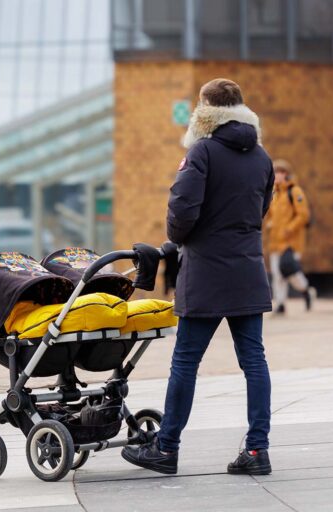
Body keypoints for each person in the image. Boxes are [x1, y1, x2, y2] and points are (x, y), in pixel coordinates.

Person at [121, 79, 274, 475]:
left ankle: (166, 448)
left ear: (206, 110)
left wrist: (179, 239)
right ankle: (258, 451)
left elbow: (181, 217)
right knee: (254, 361)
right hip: (246, 269)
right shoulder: (261, 156)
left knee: (186, 362)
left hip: (205, 272)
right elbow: (259, 211)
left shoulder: (202, 152)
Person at [265, 159, 316, 314]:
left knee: (291, 272)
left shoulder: (294, 191)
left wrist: (289, 228)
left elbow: (303, 215)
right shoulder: (274, 193)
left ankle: (306, 289)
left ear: (284, 174)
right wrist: (270, 223)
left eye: (278, 173)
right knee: (277, 274)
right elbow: (271, 214)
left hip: (290, 241)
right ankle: (280, 304)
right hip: (275, 240)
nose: (275, 176)